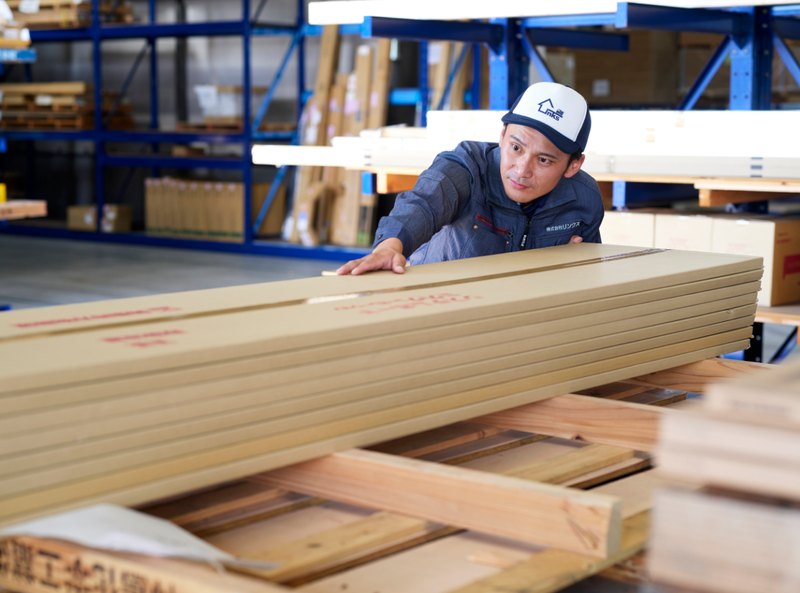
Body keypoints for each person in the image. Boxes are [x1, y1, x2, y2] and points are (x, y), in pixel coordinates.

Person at [336, 82, 603, 276]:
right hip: (438, 307)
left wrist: (573, 269)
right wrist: (390, 246)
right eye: (516, 147)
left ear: (573, 166)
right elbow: (424, 203)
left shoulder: (584, 200)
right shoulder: (467, 167)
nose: (522, 170)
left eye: (544, 160)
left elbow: (588, 273)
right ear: (502, 135)